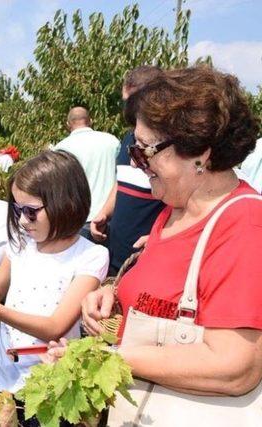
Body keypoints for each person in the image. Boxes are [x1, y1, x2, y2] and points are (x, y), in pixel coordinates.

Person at [79, 66, 262, 416]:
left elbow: (235, 366)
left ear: (200, 153)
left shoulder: (245, 223)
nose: (137, 161)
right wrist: (112, 294)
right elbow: (165, 297)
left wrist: (110, 358)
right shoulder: (172, 211)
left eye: (145, 150)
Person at [0, 150, 109, 426]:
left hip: (48, 385)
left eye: (31, 212)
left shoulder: (91, 256)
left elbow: (55, 326)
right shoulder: (19, 245)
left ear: (65, 204)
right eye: (17, 210)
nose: (22, 220)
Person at [90, 66, 165, 274]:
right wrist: (104, 213)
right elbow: (121, 181)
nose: (128, 112)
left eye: (133, 104)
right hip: (118, 254)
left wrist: (164, 238)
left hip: (149, 259)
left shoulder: (170, 148)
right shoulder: (128, 139)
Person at [53, 107, 119, 241]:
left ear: (68, 124)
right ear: (91, 121)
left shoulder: (61, 148)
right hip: (111, 216)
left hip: (80, 219)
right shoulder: (112, 141)